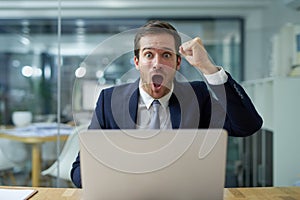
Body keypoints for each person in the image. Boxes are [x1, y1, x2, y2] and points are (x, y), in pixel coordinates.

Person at [71, 20, 263, 188]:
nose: (157, 64)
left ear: (178, 62)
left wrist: (208, 68)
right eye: (148, 55)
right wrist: (117, 179)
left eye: (166, 55)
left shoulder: (197, 97)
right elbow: (79, 170)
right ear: (137, 62)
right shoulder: (109, 101)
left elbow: (248, 125)